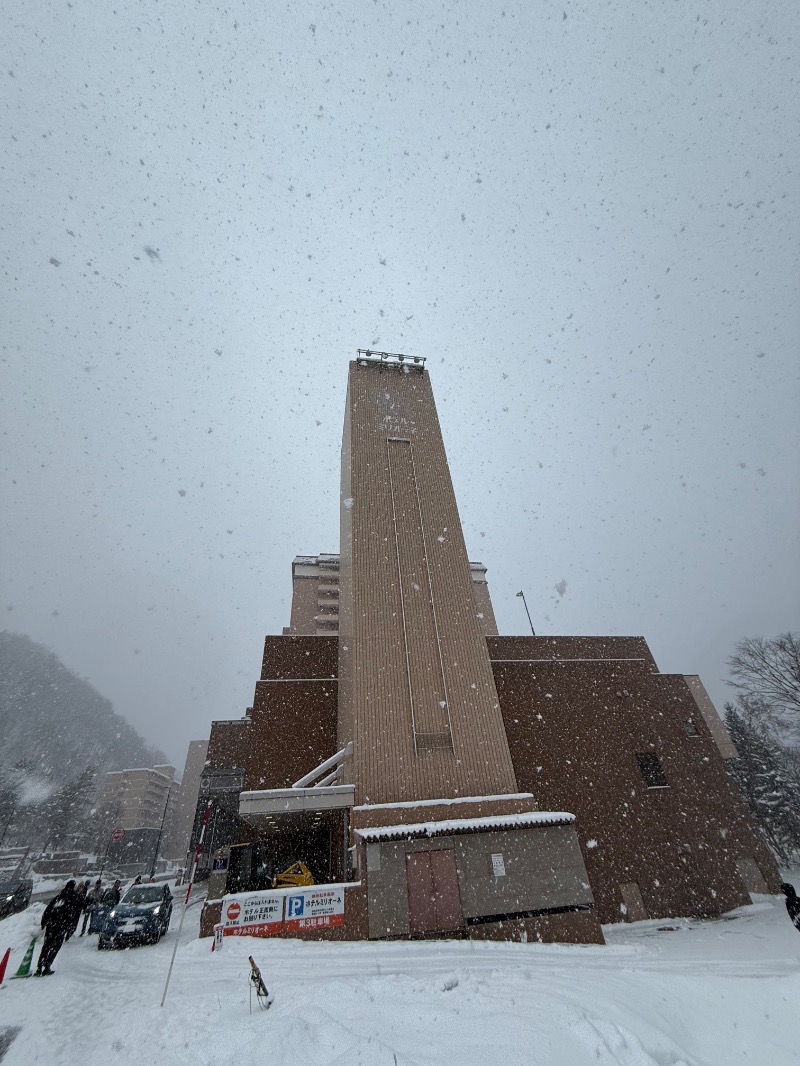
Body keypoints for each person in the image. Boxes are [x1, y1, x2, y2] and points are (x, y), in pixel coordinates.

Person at [36, 880, 78, 976]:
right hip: (61, 926)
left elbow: (48, 910)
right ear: (73, 887)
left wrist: (44, 922)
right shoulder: (72, 897)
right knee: (55, 946)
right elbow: (73, 912)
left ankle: (39, 967)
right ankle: (47, 966)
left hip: (51, 925)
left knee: (46, 946)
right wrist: (69, 925)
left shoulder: (58, 898)